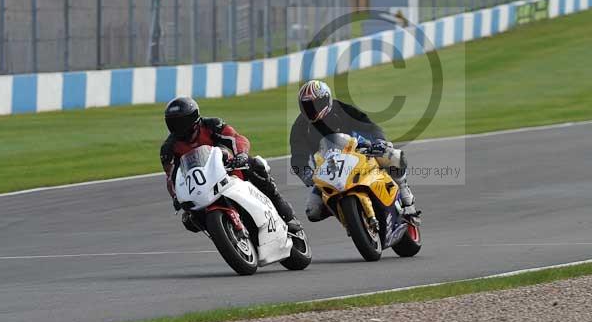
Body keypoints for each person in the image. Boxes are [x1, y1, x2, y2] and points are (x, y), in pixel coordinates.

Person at [160, 96, 301, 233]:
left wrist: (241, 155)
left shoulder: (211, 125)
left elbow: (236, 138)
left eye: (182, 122)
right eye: (174, 123)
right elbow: (171, 178)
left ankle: (286, 214)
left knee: (256, 166)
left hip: (227, 168)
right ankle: (223, 232)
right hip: (200, 186)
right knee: (189, 220)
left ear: (194, 117)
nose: (179, 127)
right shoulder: (169, 148)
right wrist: (175, 197)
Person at [289, 80, 417, 222]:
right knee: (313, 211)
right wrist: (306, 174)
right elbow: (297, 157)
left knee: (394, 156)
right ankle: (348, 216)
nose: (311, 110)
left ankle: (405, 195)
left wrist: (379, 141)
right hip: (328, 170)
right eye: (307, 106)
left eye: (315, 105)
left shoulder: (340, 109)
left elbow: (368, 125)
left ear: (325, 100)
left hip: (358, 153)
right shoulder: (299, 126)